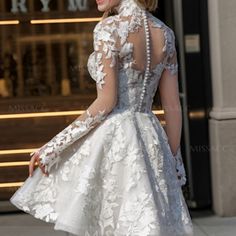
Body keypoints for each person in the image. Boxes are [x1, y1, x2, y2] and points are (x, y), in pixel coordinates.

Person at [10, 0, 194, 235]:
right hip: (151, 137)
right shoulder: (165, 34)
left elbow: (106, 102)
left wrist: (54, 145)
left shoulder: (109, 29)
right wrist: (171, 158)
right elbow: (172, 105)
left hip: (114, 140)